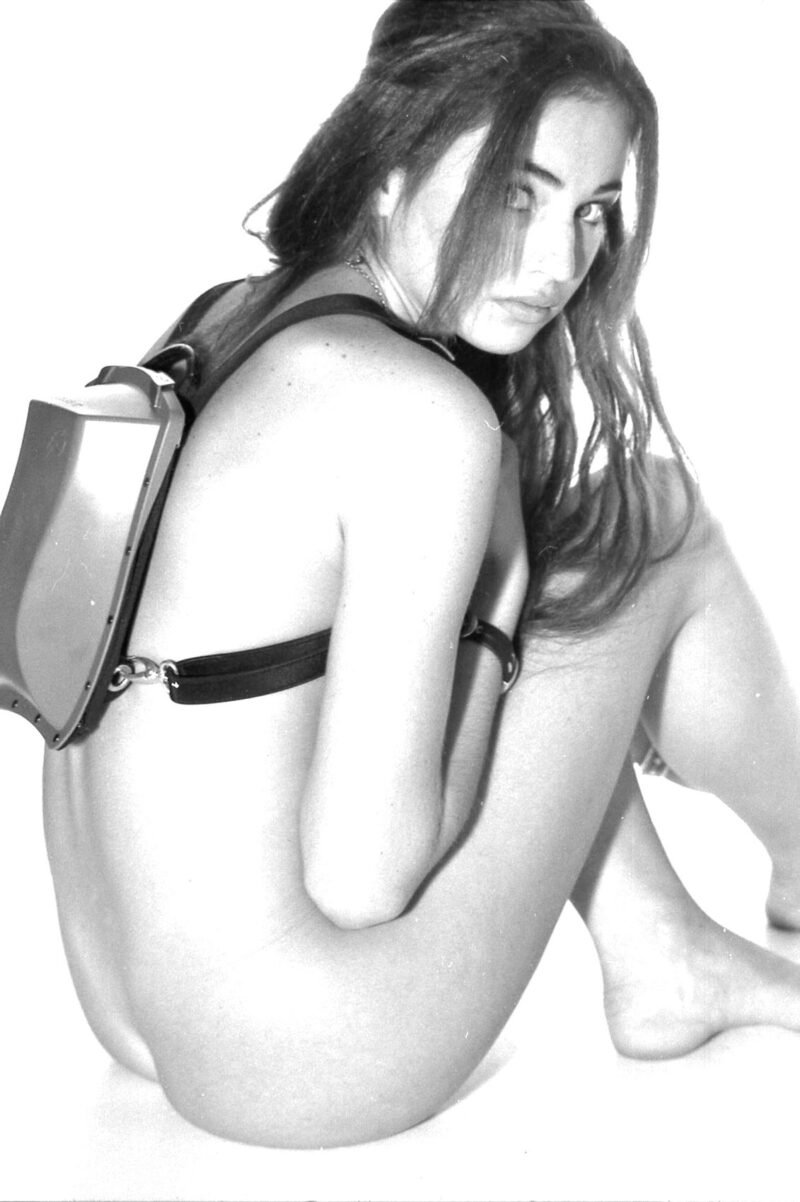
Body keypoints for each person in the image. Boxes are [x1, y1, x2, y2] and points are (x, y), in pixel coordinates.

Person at [41, 0, 800, 1149]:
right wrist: (501, 597)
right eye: (514, 194)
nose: (558, 263)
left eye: (591, 210)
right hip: (307, 1056)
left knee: (571, 556)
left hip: (129, 1005)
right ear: (390, 164)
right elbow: (361, 880)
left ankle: (659, 943)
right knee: (649, 516)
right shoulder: (419, 417)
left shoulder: (231, 319)